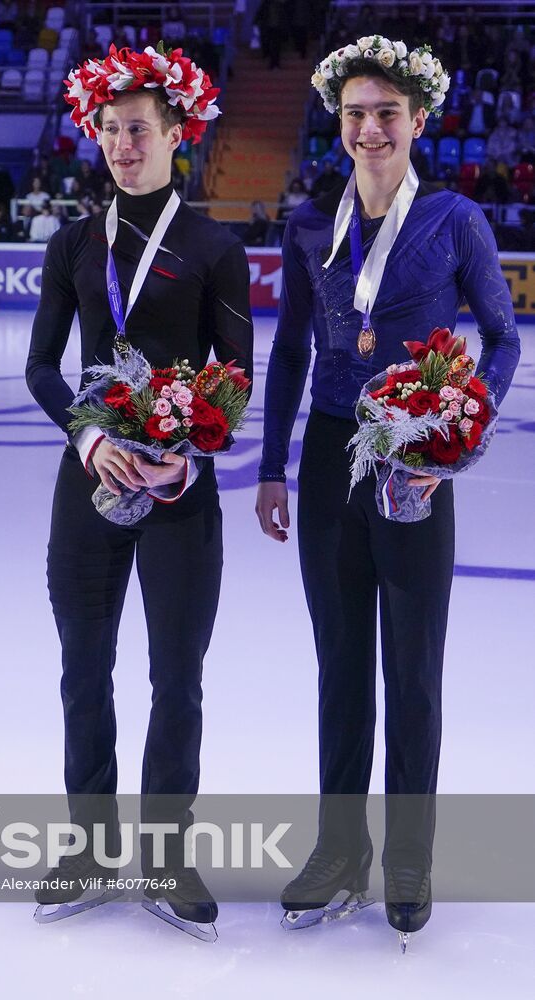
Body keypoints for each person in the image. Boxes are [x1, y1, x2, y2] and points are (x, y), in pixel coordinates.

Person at [255, 38, 519, 946]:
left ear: (417, 122)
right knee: (340, 666)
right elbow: (289, 350)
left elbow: (503, 337)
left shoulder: (454, 220)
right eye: (357, 114)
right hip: (332, 460)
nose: (371, 129)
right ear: (340, 122)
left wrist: (458, 434)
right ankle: (338, 849)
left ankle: (409, 856)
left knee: (413, 670)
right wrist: (271, 465)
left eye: (387, 114)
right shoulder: (306, 224)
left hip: (411, 465)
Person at [26, 44, 253, 937]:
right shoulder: (74, 243)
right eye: (112, 131)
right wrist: (87, 439)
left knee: (176, 680)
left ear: (175, 137)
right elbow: (43, 367)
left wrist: (189, 455)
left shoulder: (214, 245)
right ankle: (87, 846)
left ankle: (166, 854)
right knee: (86, 671)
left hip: (177, 494)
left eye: (139, 131)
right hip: (87, 487)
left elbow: (234, 373)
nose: (124, 145)